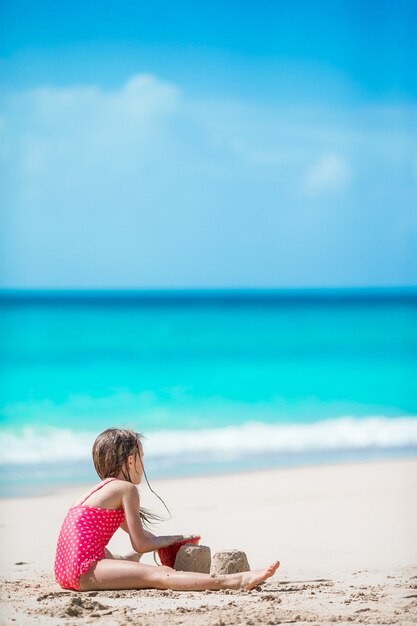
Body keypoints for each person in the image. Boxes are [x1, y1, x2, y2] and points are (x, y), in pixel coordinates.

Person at [54, 427, 280, 592]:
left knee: (112, 555)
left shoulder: (99, 492)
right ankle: (235, 581)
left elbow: (141, 536)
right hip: (82, 571)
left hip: (63, 571)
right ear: (131, 460)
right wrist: (170, 539)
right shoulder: (126, 489)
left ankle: (126, 561)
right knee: (160, 575)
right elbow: (141, 543)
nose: (143, 465)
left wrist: (170, 541)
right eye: (142, 457)